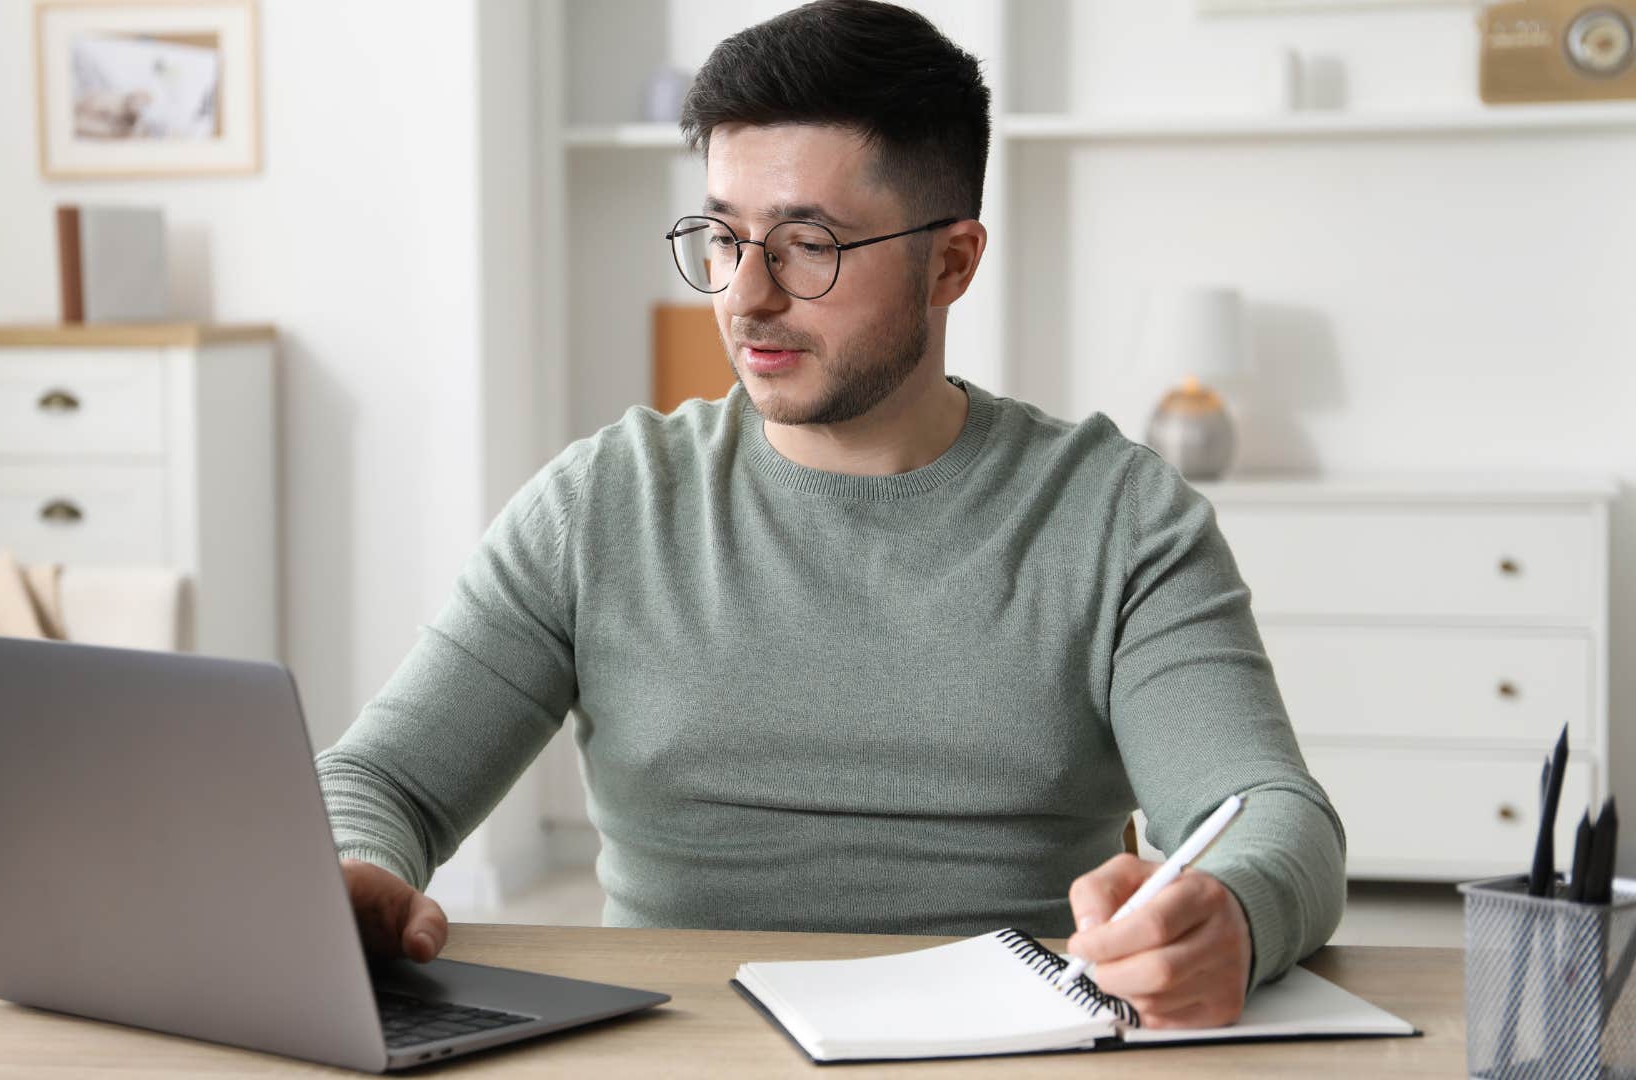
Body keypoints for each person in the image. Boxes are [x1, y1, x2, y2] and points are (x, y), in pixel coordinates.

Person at [316, 0, 1344, 1030]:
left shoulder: (1116, 515)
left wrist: (1234, 916)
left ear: (952, 262)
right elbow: (383, 777)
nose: (745, 295)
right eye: (723, 237)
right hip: (675, 1051)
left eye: (809, 244)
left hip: (1012, 1049)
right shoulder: (605, 502)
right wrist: (356, 873)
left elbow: (1263, 811)